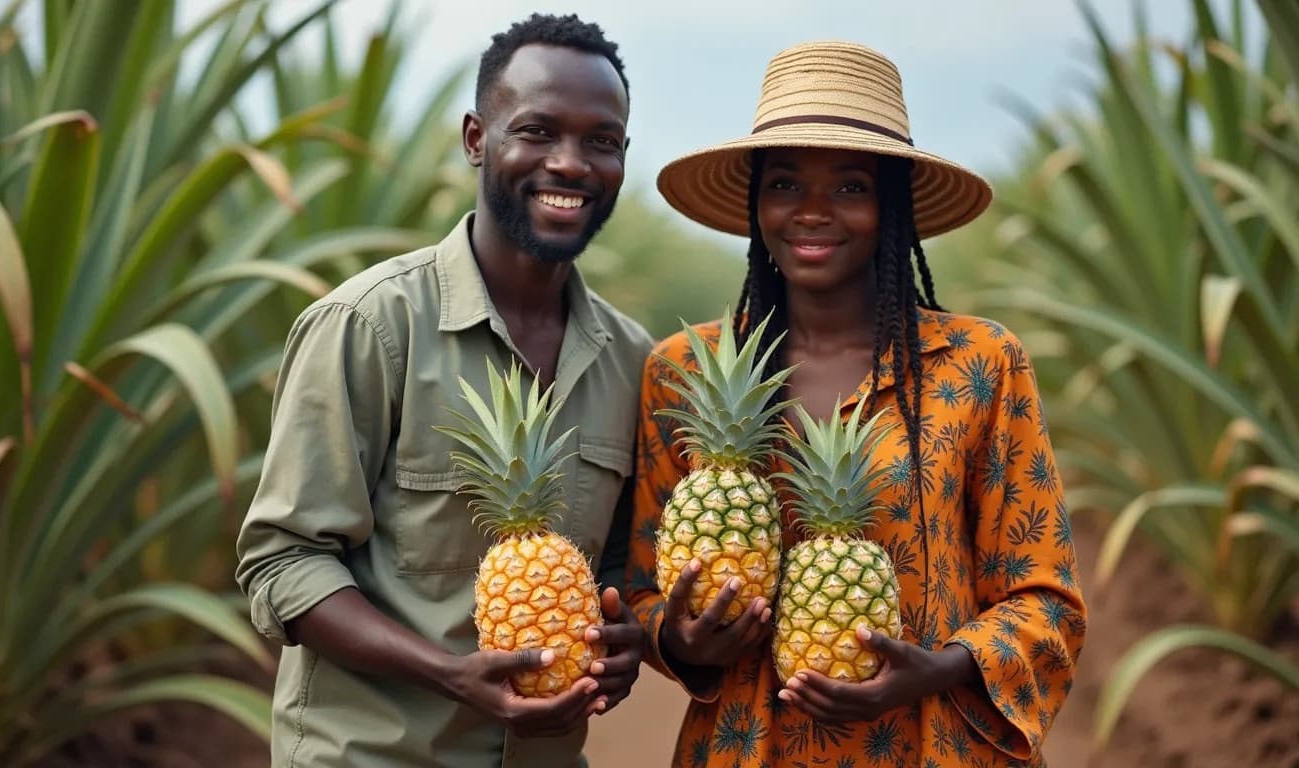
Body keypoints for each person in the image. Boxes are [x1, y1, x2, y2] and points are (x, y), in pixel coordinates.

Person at [626, 41, 1087, 767]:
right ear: (755, 204)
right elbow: (642, 586)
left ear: (891, 204)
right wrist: (680, 640)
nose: (812, 213)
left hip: (932, 746)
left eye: (849, 188)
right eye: (784, 185)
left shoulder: (980, 365)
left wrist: (939, 667)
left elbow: (1047, 600)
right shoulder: (683, 375)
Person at [235, 14, 653, 767]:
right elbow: (283, 560)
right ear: (475, 139)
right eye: (537, 130)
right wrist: (450, 674)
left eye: (603, 141)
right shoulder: (368, 326)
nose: (572, 163)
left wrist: (624, 635)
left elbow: (620, 565)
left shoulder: (633, 359)